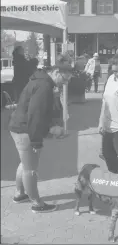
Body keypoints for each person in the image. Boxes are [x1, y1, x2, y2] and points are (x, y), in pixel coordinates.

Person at [9, 55, 72, 213]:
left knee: (24, 163)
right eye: (64, 80)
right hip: (25, 130)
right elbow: (36, 115)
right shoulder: (44, 85)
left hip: (19, 127)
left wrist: (50, 127)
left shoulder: (41, 80)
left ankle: (20, 193)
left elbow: (40, 112)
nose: (64, 84)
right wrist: (37, 141)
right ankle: (36, 203)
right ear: (57, 72)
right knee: (30, 169)